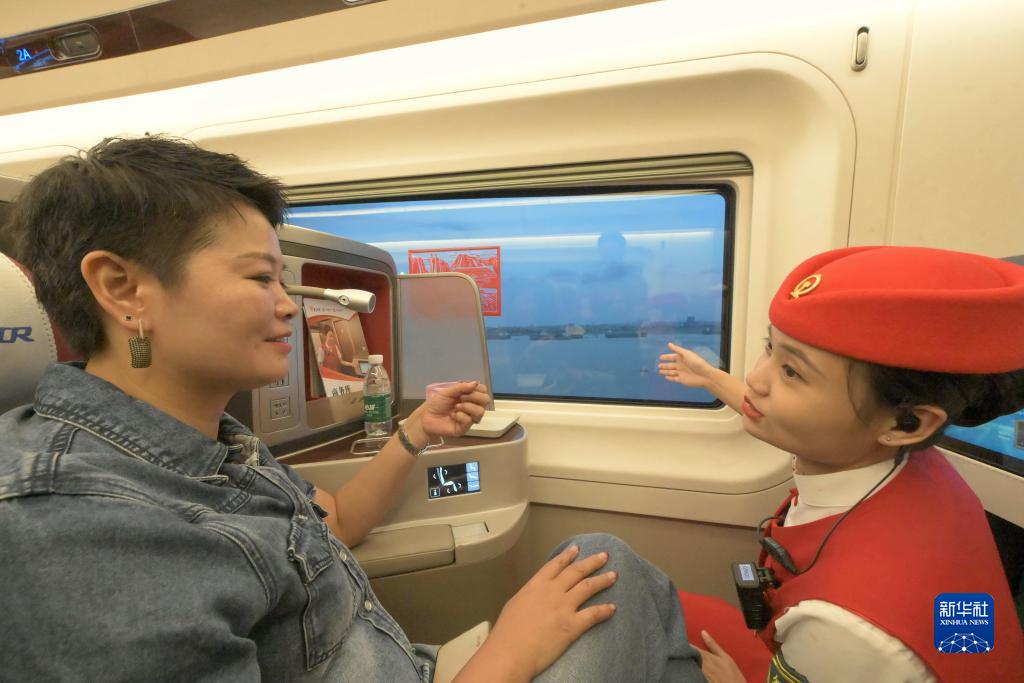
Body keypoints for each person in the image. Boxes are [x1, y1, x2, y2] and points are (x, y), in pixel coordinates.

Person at [0, 136, 705, 682]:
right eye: (260, 277)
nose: (288, 305)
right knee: (619, 579)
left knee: (602, 562)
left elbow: (335, 522)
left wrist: (416, 432)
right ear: (122, 289)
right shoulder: (75, 525)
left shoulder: (209, 440)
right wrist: (507, 656)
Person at [659, 246, 1024, 681]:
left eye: (792, 371)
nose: (755, 378)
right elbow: (781, 410)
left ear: (907, 423)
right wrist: (710, 377)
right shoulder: (913, 464)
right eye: (770, 347)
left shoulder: (848, 627)